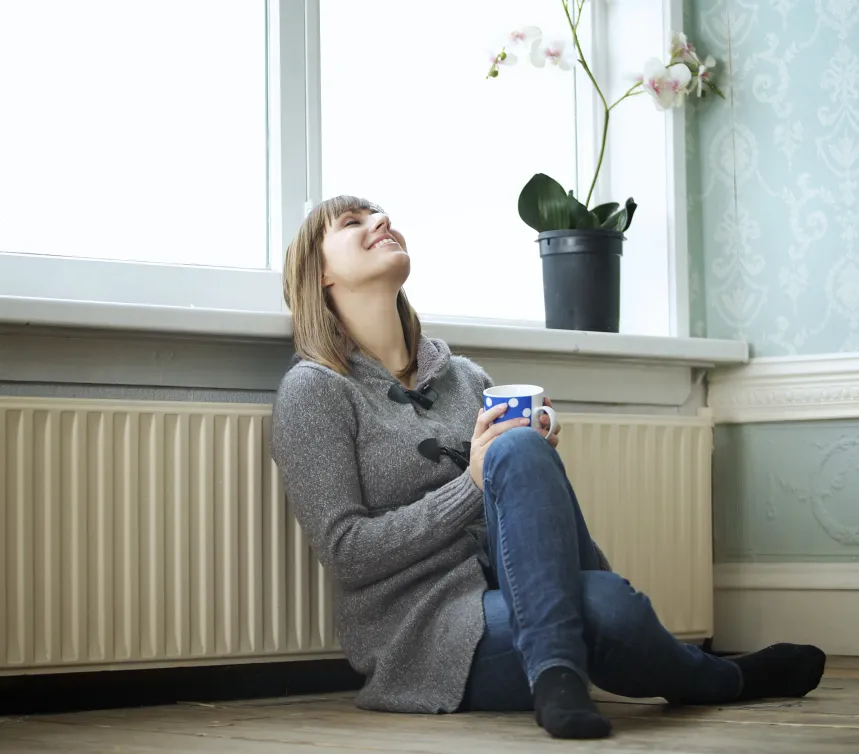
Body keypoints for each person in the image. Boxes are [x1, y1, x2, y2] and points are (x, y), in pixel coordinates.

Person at [270, 195, 826, 740]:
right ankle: (714, 678)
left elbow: (516, 503)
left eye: (381, 213)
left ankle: (559, 676)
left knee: (519, 453)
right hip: (429, 634)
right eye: (352, 222)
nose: (382, 220)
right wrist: (471, 484)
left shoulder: (465, 378)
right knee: (610, 607)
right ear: (319, 273)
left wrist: (531, 458)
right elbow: (347, 551)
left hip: (527, 593)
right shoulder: (314, 391)